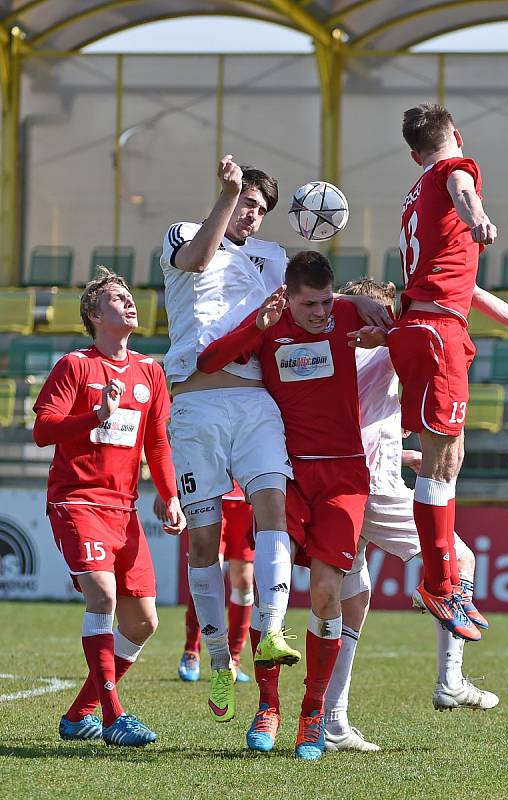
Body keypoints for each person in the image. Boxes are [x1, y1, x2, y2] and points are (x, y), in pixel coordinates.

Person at [161, 155, 387, 724]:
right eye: (246, 204)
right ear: (225, 198)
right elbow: (198, 260)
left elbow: (312, 301)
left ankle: (273, 630)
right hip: (194, 402)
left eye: (261, 210)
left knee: (272, 512)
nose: (252, 216)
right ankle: (216, 657)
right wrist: (227, 195)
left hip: (253, 400)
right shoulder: (186, 233)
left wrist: (360, 301)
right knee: (204, 542)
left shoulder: (271, 259)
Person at [326, 277, 508, 751]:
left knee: (351, 600)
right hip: (374, 488)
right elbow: (462, 295)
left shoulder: (338, 349)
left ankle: (334, 719)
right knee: (459, 561)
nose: (390, 316)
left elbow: (358, 421)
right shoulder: (388, 345)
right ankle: (450, 681)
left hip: (343, 484)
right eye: (383, 309)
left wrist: (403, 454)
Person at [196, 252, 372, 760]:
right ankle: (267, 705)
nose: (322, 313)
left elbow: (399, 316)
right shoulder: (270, 325)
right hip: (287, 472)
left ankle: (312, 714)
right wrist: (259, 323)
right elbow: (209, 363)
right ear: (289, 296)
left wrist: (372, 319)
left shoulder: (348, 313)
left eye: (327, 301)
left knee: (323, 593)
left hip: (343, 475)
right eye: (311, 304)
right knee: (272, 588)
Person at [32, 267, 185, 748]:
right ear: (96, 315)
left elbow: (157, 442)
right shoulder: (75, 366)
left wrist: (169, 494)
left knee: (143, 622)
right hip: (77, 499)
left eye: (131, 297)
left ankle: (79, 714)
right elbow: (43, 430)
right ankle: (115, 717)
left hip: (125, 508)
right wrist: (95, 415)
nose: (131, 303)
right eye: (119, 298)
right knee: (102, 597)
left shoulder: (150, 371)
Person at [382, 103, 498, 641]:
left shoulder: (413, 198)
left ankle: (448, 582)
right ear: (456, 134)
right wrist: (478, 217)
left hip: (424, 325)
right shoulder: (454, 170)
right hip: (435, 331)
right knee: (440, 464)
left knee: (449, 456)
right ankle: (441, 582)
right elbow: (462, 188)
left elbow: (461, 283)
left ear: (411, 153)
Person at [153, 486, 254, 683]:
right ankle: (192, 652)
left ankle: (233, 658)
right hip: (207, 495)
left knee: (244, 582)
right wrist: (167, 488)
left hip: (245, 498)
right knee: (205, 577)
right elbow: (178, 453)